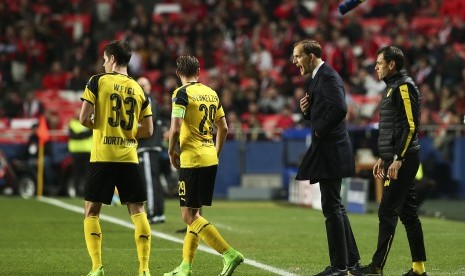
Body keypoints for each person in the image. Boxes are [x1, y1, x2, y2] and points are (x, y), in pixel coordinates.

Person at [164, 55, 244, 276]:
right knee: (196, 213)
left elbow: (176, 128)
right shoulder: (211, 93)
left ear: (178, 73)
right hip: (209, 157)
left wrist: (172, 151)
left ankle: (229, 254)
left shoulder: (180, 94)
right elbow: (224, 128)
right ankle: (185, 266)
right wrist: (215, 152)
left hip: (192, 160)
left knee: (188, 216)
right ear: (199, 71)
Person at [79, 40, 154, 276]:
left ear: (111, 59)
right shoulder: (139, 88)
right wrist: (128, 132)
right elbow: (149, 130)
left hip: (102, 156)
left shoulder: (98, 81)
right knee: (138, 211)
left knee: (92, 211)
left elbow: (83, 119)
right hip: (129, 157)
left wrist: (102, 126)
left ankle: (97, 267)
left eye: (104, 59)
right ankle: (144, 269)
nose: (103, 63)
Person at [354, 46, 427, 276]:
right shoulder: (392, 88)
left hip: (404, 160)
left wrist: (398, 159)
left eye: (379, 63)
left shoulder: (404, 86)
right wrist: (383, 158)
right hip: (395, 159)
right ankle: (419, 269)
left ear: (392, 64)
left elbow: (411, 126)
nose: (375, 67)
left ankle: (376, 267)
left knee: (387, 211)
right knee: (409, 215)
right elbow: (393, 129)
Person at [292, 39, 361, 276]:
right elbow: (327, 109)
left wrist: (319, 128)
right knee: (336, 206)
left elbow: (340, 109)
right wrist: (308, 112)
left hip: (331, 150)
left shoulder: (328, 76)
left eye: (298, 56)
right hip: (331, 150)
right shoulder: (319, 78)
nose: (295, 62)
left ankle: (339, 267)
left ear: (311, 56)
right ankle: (351, 261)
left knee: (331, 208)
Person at [137, 76, 166, 224]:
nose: (141, 87)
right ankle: (159, 212)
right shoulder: (152, 101)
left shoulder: (146, 101)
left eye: (144, 84)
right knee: (155, 180)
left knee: (149, 181)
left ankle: (153, 212)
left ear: (149, 87)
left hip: (147, 146)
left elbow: (147, 123)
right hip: (152, 147)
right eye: (139, 85)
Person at [68, 108, 92, 196]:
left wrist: (78, 135)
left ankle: (87, 192)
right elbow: (72, 135)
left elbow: (89, 133)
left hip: (87, 152)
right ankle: (77, 192)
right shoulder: (72, 123)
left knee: (87, 174)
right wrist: (82, 134)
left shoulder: (88, 122)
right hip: (76, 152)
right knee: (77, 174)